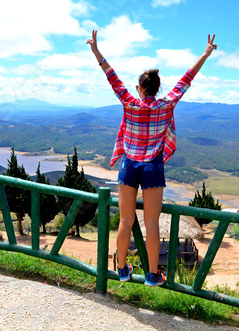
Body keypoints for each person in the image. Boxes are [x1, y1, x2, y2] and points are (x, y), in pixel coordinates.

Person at [87, 30, 217, 286]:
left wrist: (96, 51)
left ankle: (122, 270)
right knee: (152, 223)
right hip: (153, 168)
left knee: (126, 220)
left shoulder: (129, 103)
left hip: (129, 165)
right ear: (157, 90)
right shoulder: (166, 104)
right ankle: (152, 275)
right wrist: (205, 54)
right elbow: (186, 80)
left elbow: (110, 76)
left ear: (139, 88)